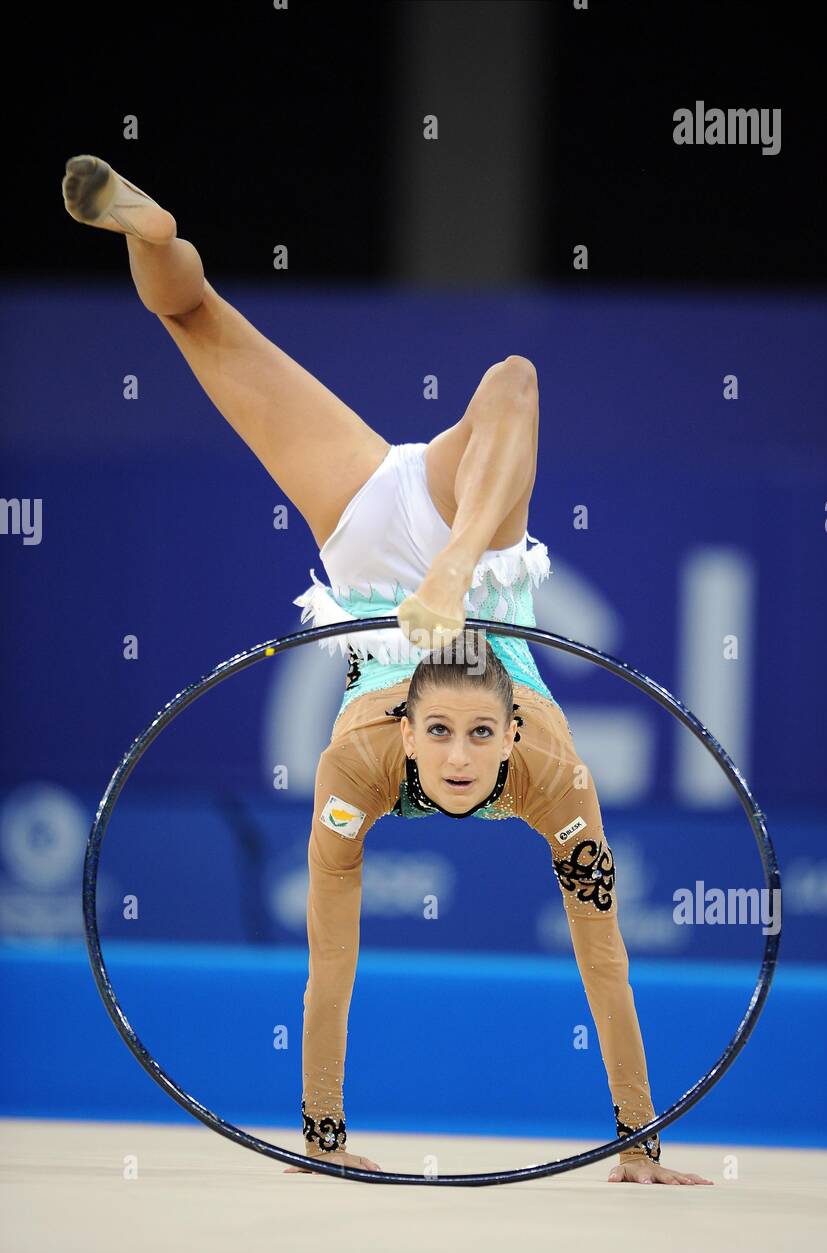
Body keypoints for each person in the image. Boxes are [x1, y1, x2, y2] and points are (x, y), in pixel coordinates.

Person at [62, 155, 711, 1186]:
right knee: (203, 317)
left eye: (476, 737)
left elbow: (605, 956)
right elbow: (332, 967)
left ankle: (157, 242)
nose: (458, 756)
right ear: (403, 727)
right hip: (472, 535)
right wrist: (321, 1141)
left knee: (502, 378)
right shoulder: (360, 759)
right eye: (443, 733)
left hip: (373, 547)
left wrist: (639, 1142)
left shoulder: (555, 775)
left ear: (514, 734)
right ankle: (154, 231)